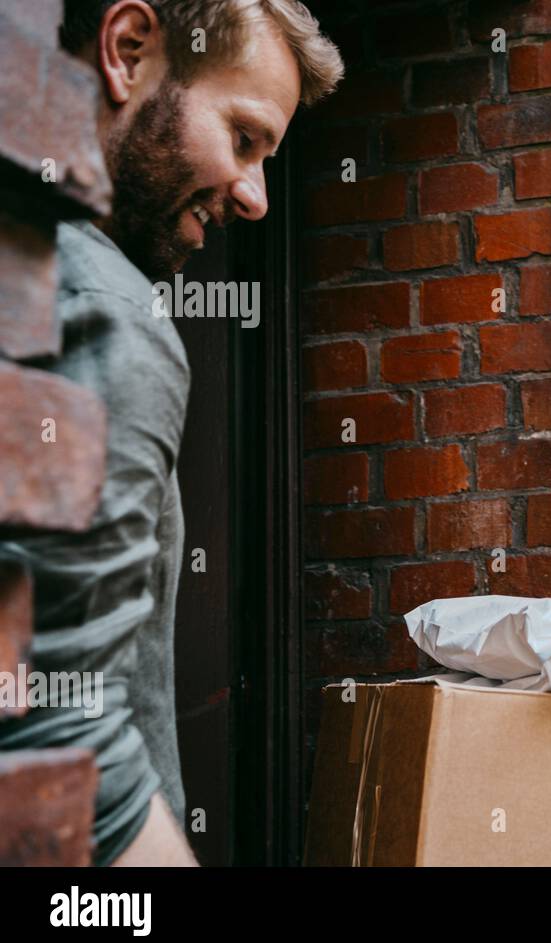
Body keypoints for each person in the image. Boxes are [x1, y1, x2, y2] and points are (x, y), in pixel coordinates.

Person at [0, 0, 342, 865]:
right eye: (245, 137)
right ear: (128, 50)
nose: (256, 196)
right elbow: (52, 733)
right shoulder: (104, 310)